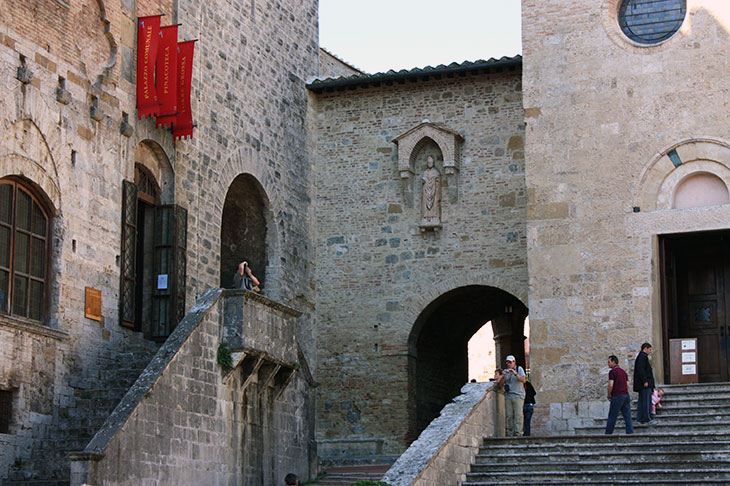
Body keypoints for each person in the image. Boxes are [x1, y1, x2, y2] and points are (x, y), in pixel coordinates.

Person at [497, 355, 526, 436]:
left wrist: (515, 374)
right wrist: (503, 377)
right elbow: (501, 385)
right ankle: (510, 433)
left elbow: (524, 380)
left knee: (518, 415)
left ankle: (518, 433)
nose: (508, 364)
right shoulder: (505, 371)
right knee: (509, 416)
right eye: (507, 362)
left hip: (518, 395)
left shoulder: (519, 369)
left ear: (514, 362)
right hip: (508, 396)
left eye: (510, 362)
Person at [605, 355, 633, 435]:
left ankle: (608, 434)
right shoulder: (623, 372)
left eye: (609, 362)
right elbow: (627, 385)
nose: (608, 364)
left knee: (612, 416)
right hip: (625, 395)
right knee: (627, 415)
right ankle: (630, 432)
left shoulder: (612, 372)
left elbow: (611, 384)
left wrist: (609, 395)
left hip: (617, 395)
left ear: (614, 362)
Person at [634, 342, 656, 425]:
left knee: (642, 401)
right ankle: (647, 418)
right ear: (645, 348)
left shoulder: (642, 357)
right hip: (644, 384)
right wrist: (645, 381)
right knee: (646, 402)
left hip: (642, 384)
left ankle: (640, 419)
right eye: (649, 349)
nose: (650, 351)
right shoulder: (642, 357)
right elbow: (641, 370)